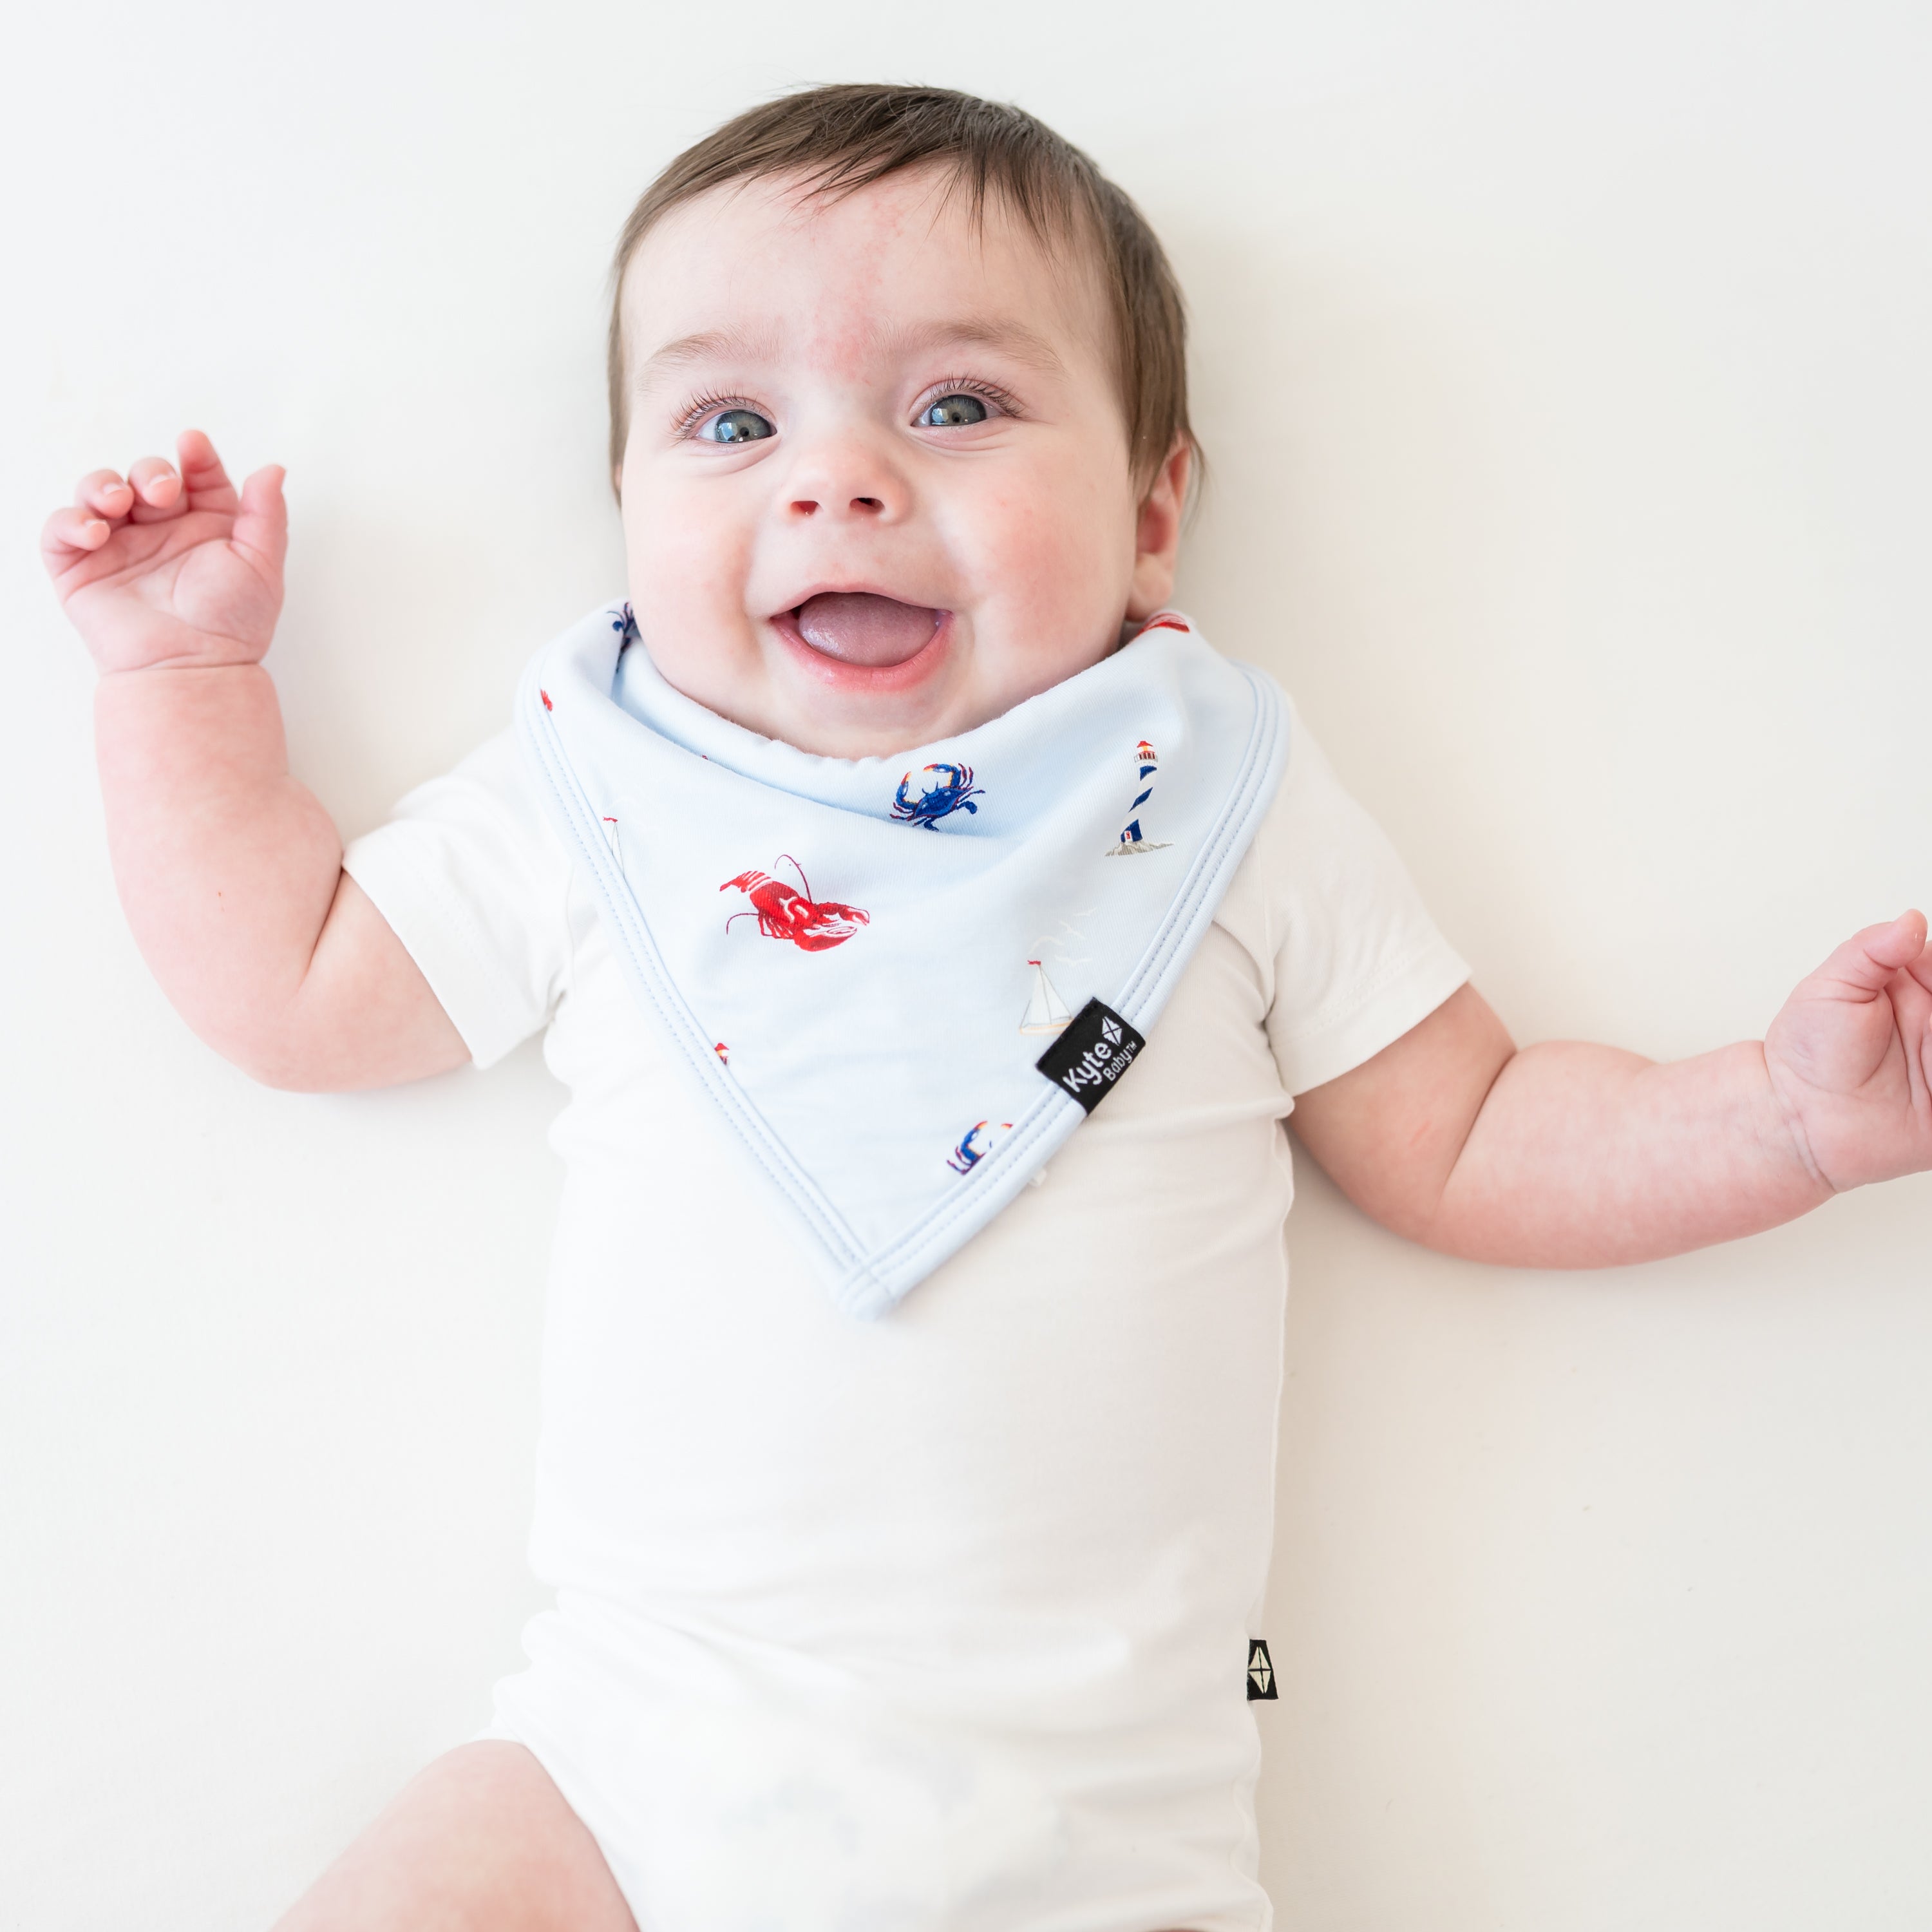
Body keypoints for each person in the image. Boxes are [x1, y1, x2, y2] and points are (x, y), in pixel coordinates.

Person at [40, 82, 1931, 1932]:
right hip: (623, 1778)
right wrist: (185, 680)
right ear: (623, 500)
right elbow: (294, 984)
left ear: (1153, 501)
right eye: (727, 419)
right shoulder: (606, 795)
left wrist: (1781, 1119)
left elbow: (1471, 1131)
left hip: (1100, 1839)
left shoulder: (1217, 804)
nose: (836, 474)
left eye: (957, 405)